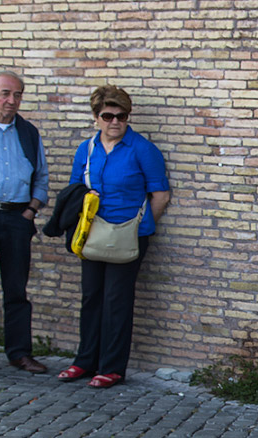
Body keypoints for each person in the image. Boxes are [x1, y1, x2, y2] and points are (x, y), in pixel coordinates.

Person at [57, 85, 170, 388]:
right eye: (108, 116)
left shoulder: (142, 149)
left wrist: (142, 227)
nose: (115, 122)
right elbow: (74, 188)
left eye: (121, 115)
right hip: (92, 234)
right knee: (91, 297)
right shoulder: (87, 149)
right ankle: (85, 361)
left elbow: (160, 194)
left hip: (127, 236)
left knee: (117, 300)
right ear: (96, 117)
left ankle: (112, 367)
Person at [0, 70, 50, 374]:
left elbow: (41, 176)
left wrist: (31, 210)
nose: (11, 100)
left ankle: (19, 353)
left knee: (16, 289)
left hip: (17, 217)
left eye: (17, 95)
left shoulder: (28, 132)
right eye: (5, 93)